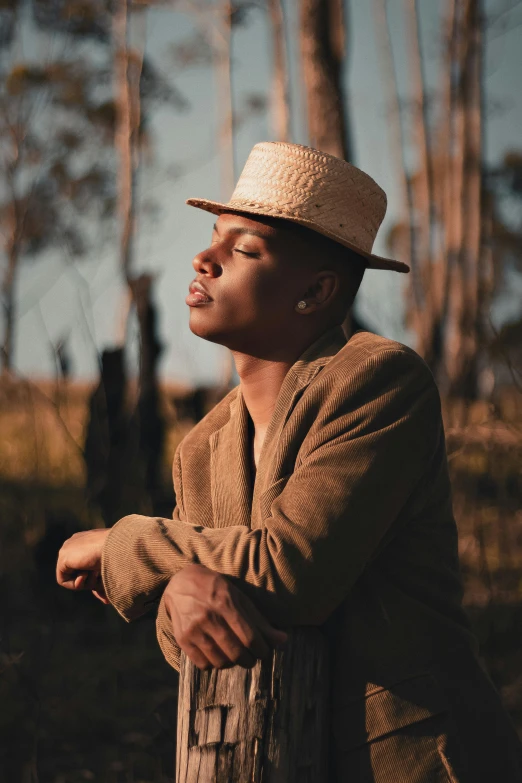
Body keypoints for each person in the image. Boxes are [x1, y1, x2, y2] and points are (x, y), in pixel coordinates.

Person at [57, 142, 522, 782]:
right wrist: (184, 585)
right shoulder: (203, 445)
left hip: (407, 761)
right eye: (214, 238)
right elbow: (186, 637)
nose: (204, 259)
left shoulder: (380, 381)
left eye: (244, 250)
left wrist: (124, 541)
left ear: (316, 292)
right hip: (266, 754)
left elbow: (287, 572)